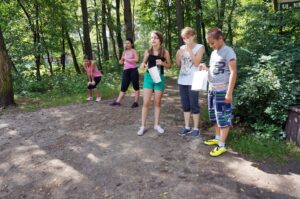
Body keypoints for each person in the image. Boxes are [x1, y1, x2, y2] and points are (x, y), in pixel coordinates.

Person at [200, 28, 237, 157]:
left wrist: (229, 93)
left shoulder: (229, 52)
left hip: (222, 91)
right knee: (214, 117)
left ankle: (222, 145)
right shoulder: (214, 53)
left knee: (223, 118)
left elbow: (233, 72)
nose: (211, 46)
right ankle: (217, 137)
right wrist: (206, 69)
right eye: (209, 43)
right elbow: (213, 70)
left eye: (212, 43)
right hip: (212, 90)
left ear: (220, 38)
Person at [137, 31, 171, 136]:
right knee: (146, 102)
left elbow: (169, 65)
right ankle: (142, 126)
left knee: (157, 103)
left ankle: (156, 125)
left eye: (155, 38)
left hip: (159, 79)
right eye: (152, 38)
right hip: (148, 78)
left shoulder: (164, 52)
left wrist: (163, 63)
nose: (153, 40)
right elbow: (143, 64)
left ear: (160, 40)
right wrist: (142, 65)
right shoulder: (148, 51)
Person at [176, 27, 205, 137]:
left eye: (187, 37)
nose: (185, 40)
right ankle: (187, 126)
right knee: (185, 104)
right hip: (182, 79)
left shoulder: (200, 47)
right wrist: (178, 55)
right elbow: (178, 64)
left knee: (194, 104)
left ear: (193, 36)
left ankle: (196, 128)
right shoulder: (182, 47)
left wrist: (188, 50)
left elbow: (197, 63)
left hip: (194, 80)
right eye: (184, 38)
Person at [110, 38, 140, 108]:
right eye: (126, 43)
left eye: (128, 43)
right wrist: (121, 60)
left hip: (133, 70)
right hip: (126, 70)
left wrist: (127, 59)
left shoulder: (134, 51)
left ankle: (136, 102)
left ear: (131, 44)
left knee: (136, 87)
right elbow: (121, 62)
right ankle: (118, 102)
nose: (126, 44)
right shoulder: (124, 52)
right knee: (123, 87)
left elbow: (137, 60)